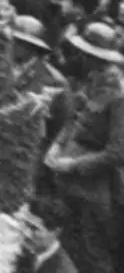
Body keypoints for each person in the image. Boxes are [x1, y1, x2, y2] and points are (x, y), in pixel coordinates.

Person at [44, 22, 124, 273]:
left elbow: (117, 152)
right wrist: (57, 145)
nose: (82, 58)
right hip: (68, 183)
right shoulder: (91, 80)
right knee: (63, 246)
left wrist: (75, 165)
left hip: (93, 190)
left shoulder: (118, 97)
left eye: (87, 54)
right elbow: (74, 118)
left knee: (92, 256)